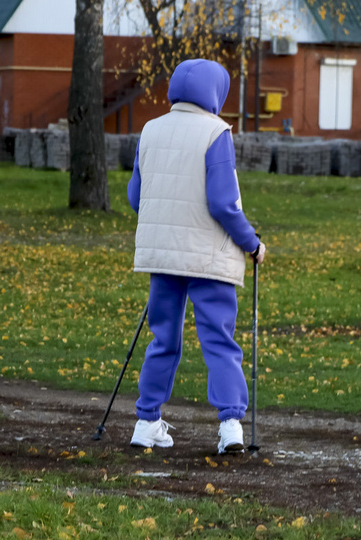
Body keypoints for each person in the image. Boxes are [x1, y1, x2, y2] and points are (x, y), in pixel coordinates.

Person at [126, 59, 266, 454]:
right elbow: (224, 203)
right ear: (215, 92)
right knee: (219, 342)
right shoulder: (216, 132)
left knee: (162, 339)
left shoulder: (150, 129)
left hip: (162, 256)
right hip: (209, 257)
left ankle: (146, 422)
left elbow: (137, 197)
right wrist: (251, 243)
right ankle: (231, 427)